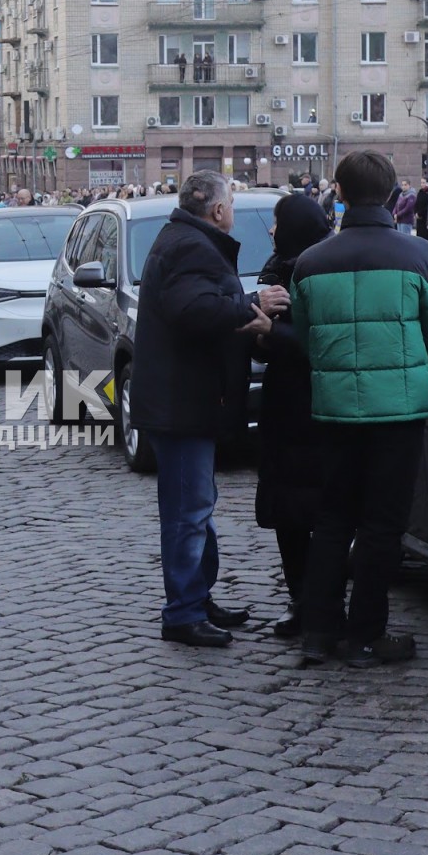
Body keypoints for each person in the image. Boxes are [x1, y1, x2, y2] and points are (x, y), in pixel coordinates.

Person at [287, 151, 428, 668]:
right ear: (390, 194)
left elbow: (306, 338)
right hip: (398, 413)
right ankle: (365, 635)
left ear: (339, 193)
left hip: (335, 410)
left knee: (333, 519)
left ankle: (318, 632)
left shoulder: (309, 263)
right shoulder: (421, 256)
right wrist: (409, 373)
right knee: (383, 525)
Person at [127, 170, 285, 648]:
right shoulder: (190, 247)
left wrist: (244, 310)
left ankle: (196, 596)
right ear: (217, 211)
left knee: (197, 507)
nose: (232, 211)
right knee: (187, 511)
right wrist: (251, 305)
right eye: (231, 204)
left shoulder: (186, 240)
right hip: (180, 403)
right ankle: (183, 612)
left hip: (185, 399)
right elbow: (194, 311)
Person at [254, 190, 332, 640]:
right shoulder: (275, 270)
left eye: (278, 222)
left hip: (321, 405)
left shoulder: (326, 270)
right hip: (284, 408)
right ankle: (300, 597)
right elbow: (259, 342)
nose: (271, 230)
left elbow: (325, 344)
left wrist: (274, 333)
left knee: (323, 510)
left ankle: (323, 601)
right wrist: (260, 328)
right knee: (288, 511)